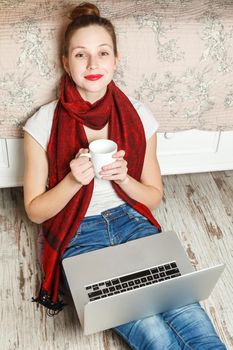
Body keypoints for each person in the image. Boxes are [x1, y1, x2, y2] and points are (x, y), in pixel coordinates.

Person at [23, 2, 226, 349]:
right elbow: (35, 211)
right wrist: (72, 181)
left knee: (189, 317)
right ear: (65, 63)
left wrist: (125, 180)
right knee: (152, 332)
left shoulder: (140, 116)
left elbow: (154, 197)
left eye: (102, 53)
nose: (92, 64)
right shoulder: (42, 124)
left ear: (116, 59)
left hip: (134, 224)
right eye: (80, 55)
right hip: (80, 237)